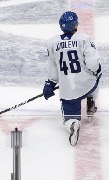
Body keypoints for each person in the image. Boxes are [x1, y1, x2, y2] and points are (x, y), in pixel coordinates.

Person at [42, 11, 103, 146]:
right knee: (98, 74)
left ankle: (73, 124)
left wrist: (50, 84)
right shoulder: (84, 39)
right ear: (75, 25)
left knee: (68, 117)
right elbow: (93, 63)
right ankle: (91, 101)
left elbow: (53, 67)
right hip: (86, 84)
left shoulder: (52, 43)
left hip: (68, 90)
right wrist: (96, 70)